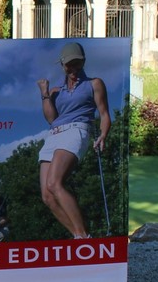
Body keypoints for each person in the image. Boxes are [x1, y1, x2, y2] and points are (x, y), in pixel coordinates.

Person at [37, 41, 111, 238]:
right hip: (54, 135)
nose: (74, 68)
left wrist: (103, 134)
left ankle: (84, 237)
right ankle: (79, 237)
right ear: (62, 64)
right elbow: (51, 119)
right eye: (69, 64)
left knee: (54, 183)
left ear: (83, 62)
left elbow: (104, 114)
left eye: (78, 63)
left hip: (76, 130)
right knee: (47, 196)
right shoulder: (56, 92)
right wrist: (44, 94)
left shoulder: (94, 84)